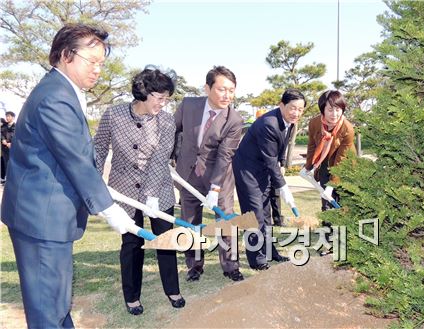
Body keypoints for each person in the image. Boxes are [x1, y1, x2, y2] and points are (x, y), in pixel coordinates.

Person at [0, 24, 135, 328]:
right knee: (48, 310)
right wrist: (110, 210)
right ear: (65, 55)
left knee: (56, 304)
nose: (98, 70)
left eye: (101, 63)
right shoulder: (55, 97)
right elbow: (75, 160)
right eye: (92, 61)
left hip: (46, 217)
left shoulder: (63, 91)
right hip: (40, 220)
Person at [94, 66, 185, 315]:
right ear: (144, 91)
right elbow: (99, 147)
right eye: (160, 97)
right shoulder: (114, 115)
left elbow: (159, 159)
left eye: (167, 98)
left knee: (164, 241)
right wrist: (95, 180)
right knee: (132, 243)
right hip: (124, 190)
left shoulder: (166, 121)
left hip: (159, 189)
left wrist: (152, 195)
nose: (163, 103)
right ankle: (132, 295)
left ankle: (172, 289)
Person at [173, 66, 245, 282]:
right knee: (190, 220)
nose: (227, 96)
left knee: (225, 220)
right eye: (222, 89)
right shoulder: (188, 105)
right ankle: (194, 265)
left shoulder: (234, 119)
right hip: (188, 175)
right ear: (207, 88)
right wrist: (171, 157)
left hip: (219, 178)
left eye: (231, 91)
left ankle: (231, 265)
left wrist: (215, 188)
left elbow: (225, 156)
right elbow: (172, 130)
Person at [232, 88, 306, 270]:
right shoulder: (269, 123)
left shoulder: (289, 122)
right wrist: (284, 187)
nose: (296, 113)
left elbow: (279, 152)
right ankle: (257, 260)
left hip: (263, 169)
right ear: (281, 105)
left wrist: (282, 164)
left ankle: (269, 251)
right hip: (247, 171)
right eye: (292, 108)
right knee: (254, 215)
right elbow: (271, 160)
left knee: (265, 214)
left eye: (300, 109)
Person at [302, 90, 356, 211]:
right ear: (323, 110)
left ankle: (341, 227)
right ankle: (327, 228)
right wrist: (308, 167)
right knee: (326, 200)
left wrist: (332, 185)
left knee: (341, 199)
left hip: (345, 165)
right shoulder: (314, 123)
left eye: (338, 110)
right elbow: (312, 146)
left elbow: (341, 160)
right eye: (330, 110)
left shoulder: (347, 129)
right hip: (325, 161)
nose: (334, 114)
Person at [1, 111, 16, 183]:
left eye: (9, 116)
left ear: (13, 117)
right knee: (5, 162)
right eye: (6, 116)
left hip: (13, 148)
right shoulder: (4, 126)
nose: (7, 117)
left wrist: (12, 143)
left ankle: (13, 179)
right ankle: (7, 179)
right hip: (4, 148)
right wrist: (3, 139)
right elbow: (1, 134)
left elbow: (18, 136)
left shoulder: (16, 126)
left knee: (13, 163)